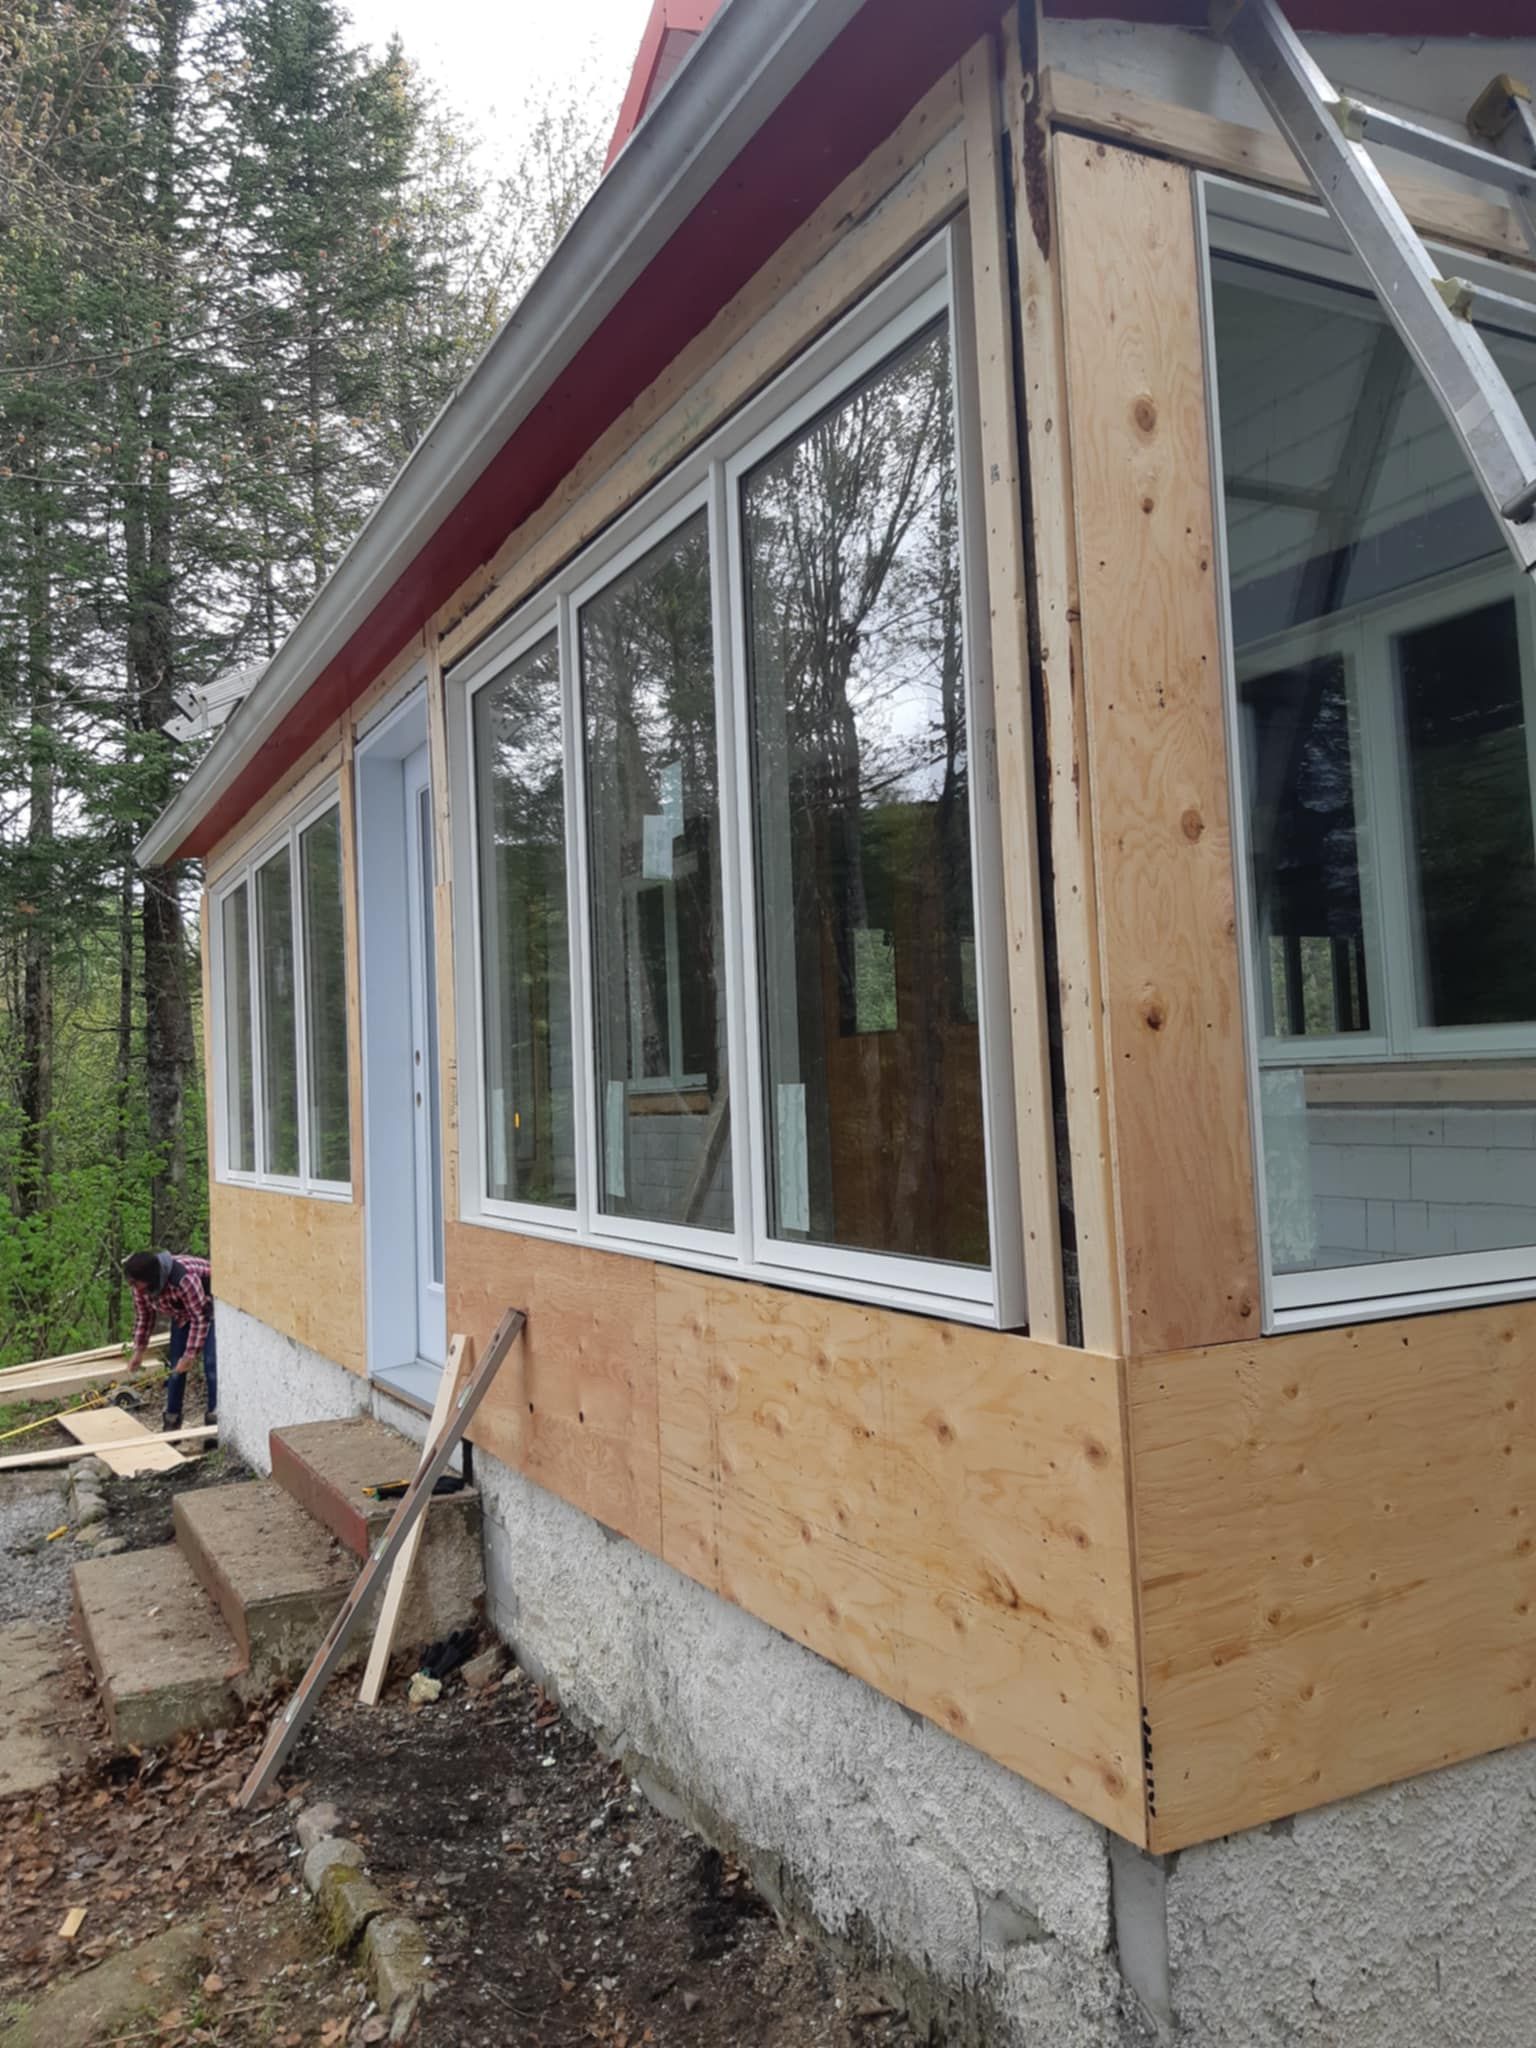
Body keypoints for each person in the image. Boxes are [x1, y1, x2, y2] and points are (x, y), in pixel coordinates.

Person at [122, 1250, 218, 1434]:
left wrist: (190, 1355)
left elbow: (200, 1318)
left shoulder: (184, 1278)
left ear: (150, 1277)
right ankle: (172, 1421)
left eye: (135, 1282)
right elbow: (144, 1317)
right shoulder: (141, 1290)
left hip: (209, 1309)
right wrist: (139, 1351)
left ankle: (214, 1420)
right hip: (183, 1313)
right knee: (175, 1368)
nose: (133, 1287)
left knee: (211, 1365)